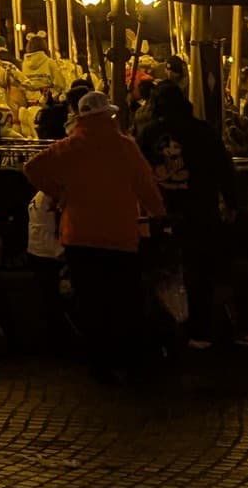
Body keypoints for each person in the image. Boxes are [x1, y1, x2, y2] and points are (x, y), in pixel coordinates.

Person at [23, 91, 165, 382]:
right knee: (124, 300)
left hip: (79, 236)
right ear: (109, 115)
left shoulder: (70, 146)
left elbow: (31, 168)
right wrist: (158, 213)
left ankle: (99, 363)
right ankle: (128, 358)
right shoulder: (125, 146)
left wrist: (59, 192)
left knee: (91, 302)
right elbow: (145, 185)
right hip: (120, 234)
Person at [137, 82, 240, 348]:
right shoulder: (202, 130)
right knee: (200, 270)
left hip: (161, 210)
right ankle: (199, 329)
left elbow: (138, 172)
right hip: (200, 207)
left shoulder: (148, 133)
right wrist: (231, 202)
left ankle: (166, 329)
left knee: (161, 270)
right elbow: (223, 168)